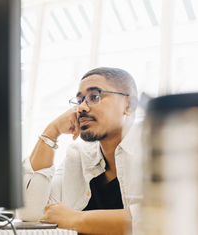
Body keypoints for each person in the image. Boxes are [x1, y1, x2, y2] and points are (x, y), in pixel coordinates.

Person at [17, 67, 143, 235]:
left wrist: (76, 218)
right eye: (80, 100)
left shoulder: (155, 149)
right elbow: (30, 213)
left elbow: (158, 220)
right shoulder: (78, 154)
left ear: (129, 105)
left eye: (94, 97)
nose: (82, 108)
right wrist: (51, 131)